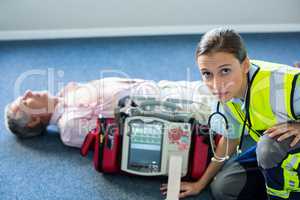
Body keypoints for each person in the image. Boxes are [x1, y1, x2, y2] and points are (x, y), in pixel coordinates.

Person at [161, 27, 300, 199]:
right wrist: (200, 184)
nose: (216, 84)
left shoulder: (284, 82)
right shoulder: (226, 94)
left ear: (245, 65)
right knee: (224, 187)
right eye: (207, 74)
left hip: (274, 148)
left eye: (225, 71)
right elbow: (230, 139)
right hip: (275, 152)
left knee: (268, 147)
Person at [4, 77, 212, 148]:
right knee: (224, 104)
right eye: (24, 100)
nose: (29, 92)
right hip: (171, 108)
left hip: (162, 88)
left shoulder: (68, 93)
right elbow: (119, 134)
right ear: (33, 120)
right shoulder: (69, 126)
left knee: (220, 84)